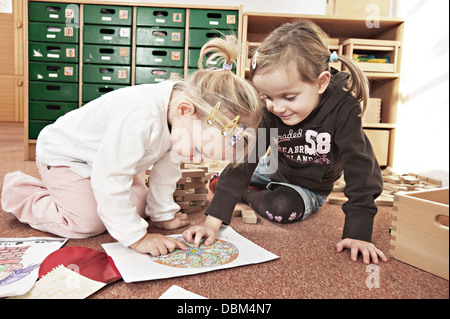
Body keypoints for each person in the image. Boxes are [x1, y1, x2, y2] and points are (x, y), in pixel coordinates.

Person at [1, 36, 263, 257]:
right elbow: (110, 175)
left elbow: (166, 170)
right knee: (88, 222)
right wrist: (137, 238)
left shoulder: (185, 120)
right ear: (185, 110)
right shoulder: (142, 116)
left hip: (109, 160)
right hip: (66, 156)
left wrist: (161, 214)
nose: (195, 158)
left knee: (137, 206)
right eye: (200, 149)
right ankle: (21, 192)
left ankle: (74, 194)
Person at [183, 19, 388, 265]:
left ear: (321, 83)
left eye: (289, 97)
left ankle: (247, 195)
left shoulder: (343, 109)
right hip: (272, 169)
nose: (277, 107)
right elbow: (248, 158)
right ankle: (243, 188)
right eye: (267, 97)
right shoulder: (272, 108)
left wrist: (358, 233)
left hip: (309, 187)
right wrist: (213, 221)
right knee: (236, 172)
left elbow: (362, 170)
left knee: (281, 207)